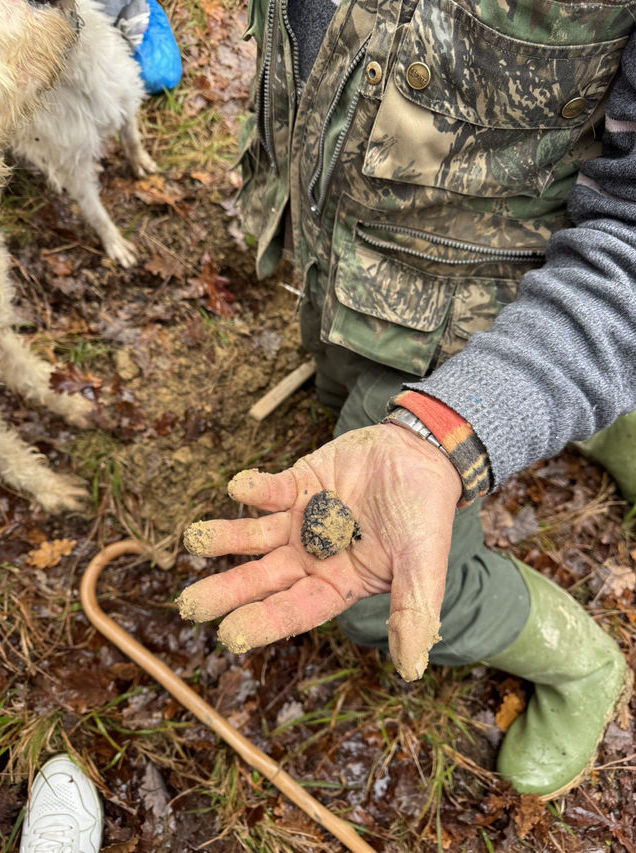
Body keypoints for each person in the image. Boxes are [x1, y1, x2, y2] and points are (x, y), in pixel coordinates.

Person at [176, 0, 636, 799]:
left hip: (497, 294)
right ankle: (595, 405)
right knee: (342, 380)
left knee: (379, 595)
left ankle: (587, 660)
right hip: (343, 263)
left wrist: (448, 431)